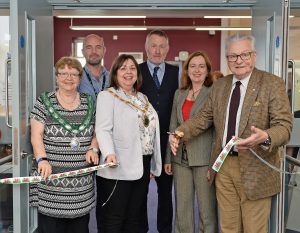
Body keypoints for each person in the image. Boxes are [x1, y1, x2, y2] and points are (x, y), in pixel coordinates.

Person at [169, 34, 293, 233]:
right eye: (233, 56)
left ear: (254, 56)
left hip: (256, 168)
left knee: (254, 229)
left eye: (244, 54)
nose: (239, 60)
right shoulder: (220, 86)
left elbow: (284, 126)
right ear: (227, 59)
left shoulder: (272, 83)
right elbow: (203, 118)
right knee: (228, 227)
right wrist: (179, 132)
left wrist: (266, 136)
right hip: (224, 166)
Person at [30, 56, 99, 233]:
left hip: (80, 187)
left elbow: (98, 131)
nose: (68, 78)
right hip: (51, 187)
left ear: (79, 77)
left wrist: (93, 147)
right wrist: (42, 160)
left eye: (73, 74)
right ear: (57, 76)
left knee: (80, 228)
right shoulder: (44, 101)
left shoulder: (89, 102)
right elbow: (36, 135)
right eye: (63, 73)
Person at [95, 54, 162, 233]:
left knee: (135, 216)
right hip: (118, 163)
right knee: (115, 217)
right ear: (115, 72)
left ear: (137, 73)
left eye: (132, 68)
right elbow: (102, 129)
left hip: (142, 163)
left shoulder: (143, 98)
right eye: (123, 68)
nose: (128, 72)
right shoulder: (107, 96)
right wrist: (109, 153)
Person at [164, 51, 217, 233]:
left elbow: (217, 129)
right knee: (182, 210)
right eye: (192, 66)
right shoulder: (180, 93)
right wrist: (168, 158)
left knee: (206, 211)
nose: (197, 70)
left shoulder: (214, 92)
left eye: (201, 66)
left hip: (204, 159)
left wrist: (215, 162)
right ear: (186, 70)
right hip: (180, 159)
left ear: (208, 70)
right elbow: (173, 125)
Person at [139, 29, 179, 233]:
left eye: (162, 46)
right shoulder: (135, 71)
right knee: (140, 194)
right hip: (140, 146)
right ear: (146, 48)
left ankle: (164, 230)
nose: (157, 50)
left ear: (168, 49)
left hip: (167, 146)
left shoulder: (176, 73)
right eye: (153, 45)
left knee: (165, 194)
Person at [79, 34, 110, 102]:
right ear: (83, 52)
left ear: (104, 50)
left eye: (98, 47)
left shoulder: (113, 78)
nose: (94, 52)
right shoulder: (76, 78)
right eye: (89, 47)